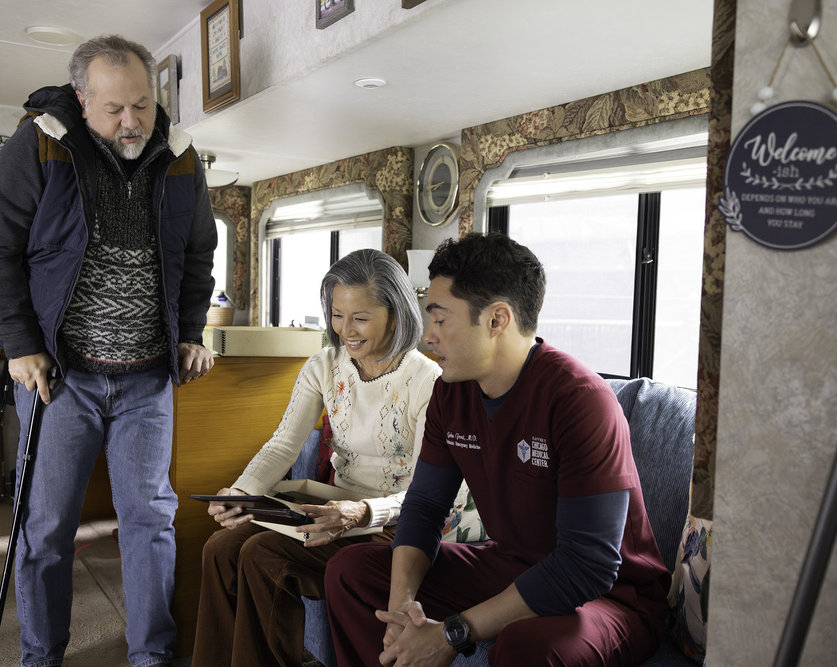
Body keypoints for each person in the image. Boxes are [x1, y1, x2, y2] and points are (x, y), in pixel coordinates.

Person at [0, 35, 217, 667]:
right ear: (82, 99)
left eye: (142, 105)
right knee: (46, 528)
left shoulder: (182, 156)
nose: (131, 121)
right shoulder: (41, 143)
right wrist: (19, 344)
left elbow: (196, 255)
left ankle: (151, 657)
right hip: (61, 378)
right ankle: (41, 656)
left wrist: (190, 329)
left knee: (150, 523)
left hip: (147, 380)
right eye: (113, 109)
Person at [325, 233, 670, 666]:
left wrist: (453, 632)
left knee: (529, 646)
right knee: (352, 571)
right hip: (510, 564)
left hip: (612, 596)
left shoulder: (580, 400)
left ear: (497, 320)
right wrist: (402, 609)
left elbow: (589, 565)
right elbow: (426, 505)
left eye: (440, 319)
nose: (427, 337)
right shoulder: (452, 392)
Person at [193, 248, 442, 666]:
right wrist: (241, 492)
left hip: (392, 522)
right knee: (220, 547)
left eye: (360, 317)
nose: (346, 329)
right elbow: (282, 445)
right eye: (337, 315)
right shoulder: (324, 365)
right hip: (331, 506)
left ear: (396, 314)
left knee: (262, 554)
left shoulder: (426, 381)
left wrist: (362, 511)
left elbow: (427, 494)